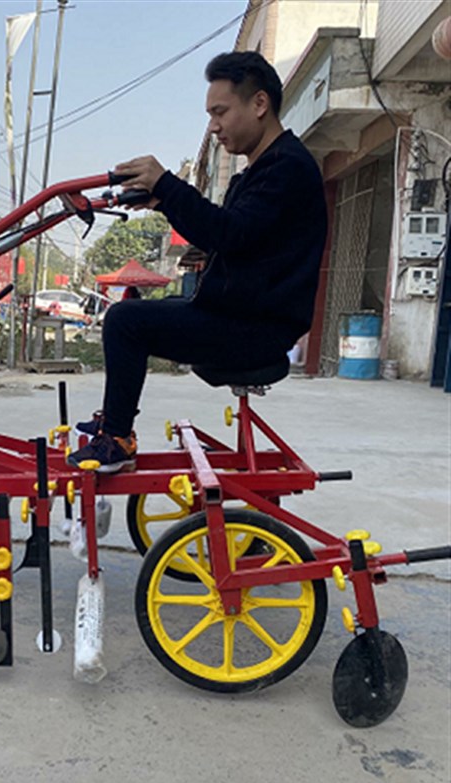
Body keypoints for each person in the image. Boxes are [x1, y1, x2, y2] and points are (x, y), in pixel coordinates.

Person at [68, 51, 327, 473]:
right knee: (134, 315)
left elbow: (230, 233)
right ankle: (114, 427)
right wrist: (164, 201)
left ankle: (116, 437)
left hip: (254, 328)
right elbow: (238, 238)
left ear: (259, 104)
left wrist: (169, 186)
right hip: (240, 315)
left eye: (220, 112)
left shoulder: (287, 169)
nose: (214, 126)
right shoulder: (263, 170)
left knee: (125, 322)